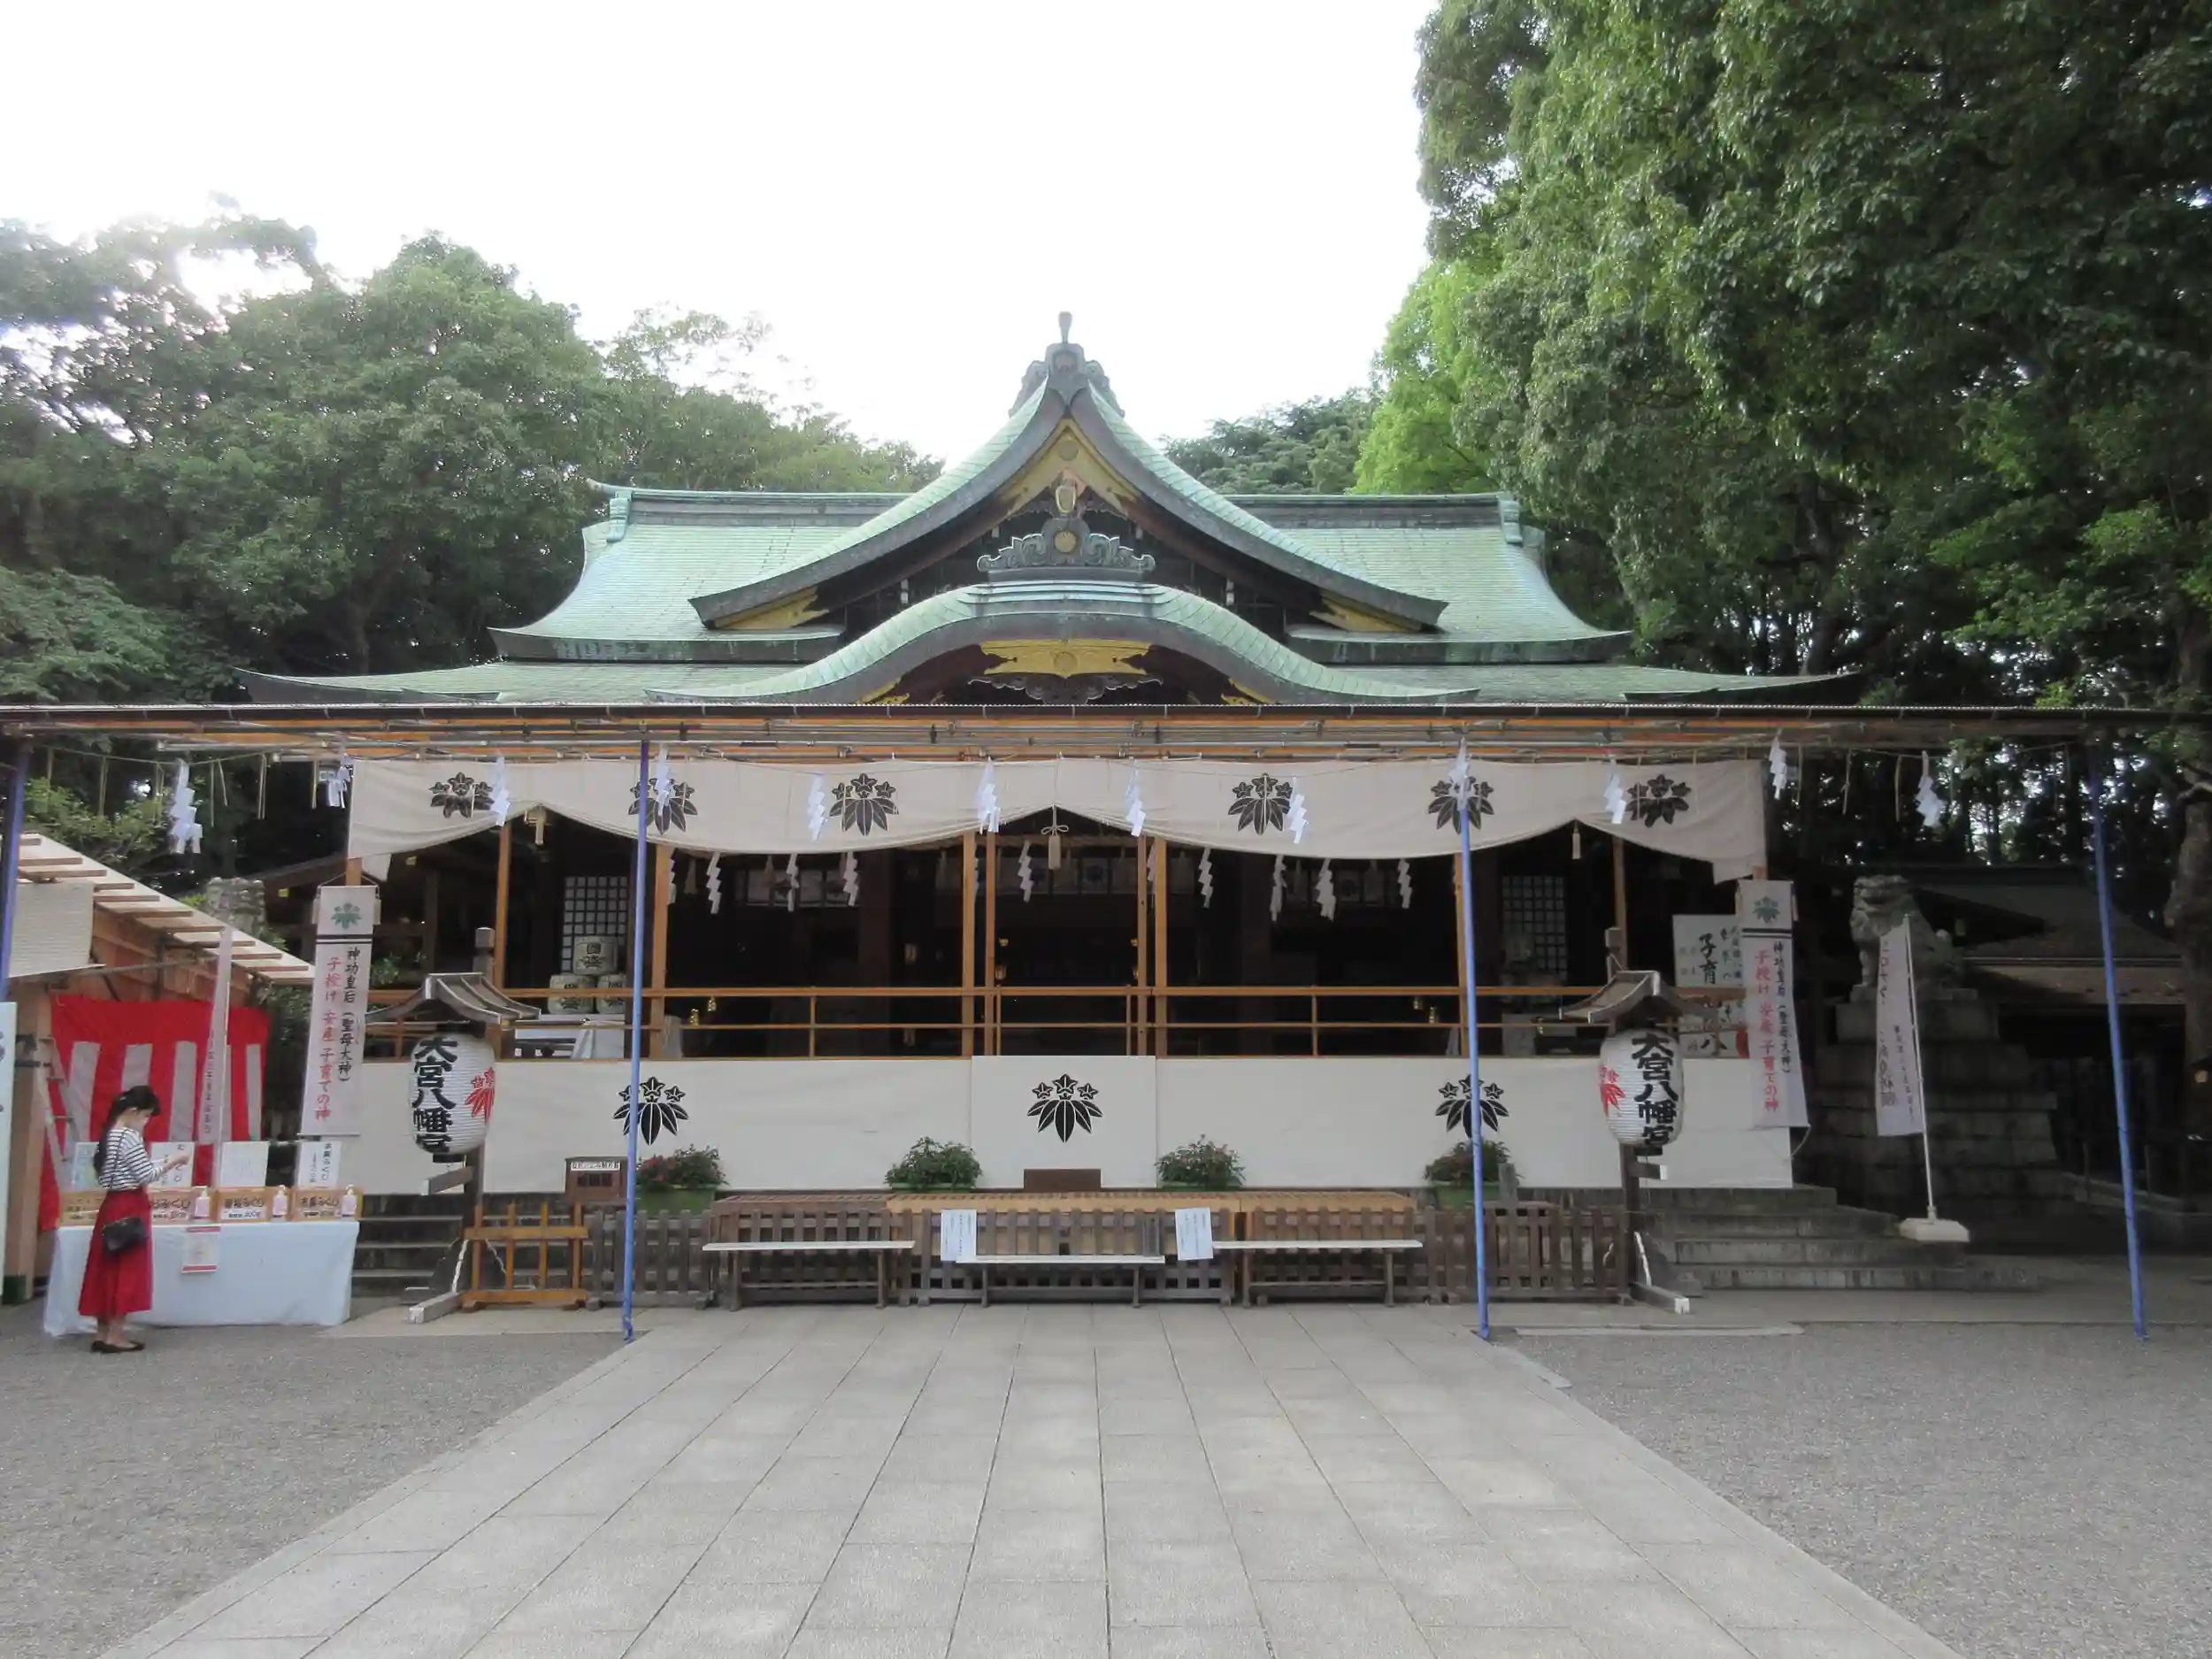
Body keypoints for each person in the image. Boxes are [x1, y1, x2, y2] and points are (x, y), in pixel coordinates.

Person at [78, 1086, 189, 1354]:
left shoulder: (108, 1134)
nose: (146, 1122)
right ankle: (116, 1336)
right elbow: (145, 1175)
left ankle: (102, 1332)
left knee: (104, 1268)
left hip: (111, 1204)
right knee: (127, 1270)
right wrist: (174, 1162)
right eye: (146, 1116)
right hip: (130, 1204)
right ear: (133, 1111)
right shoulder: (129, 1136)